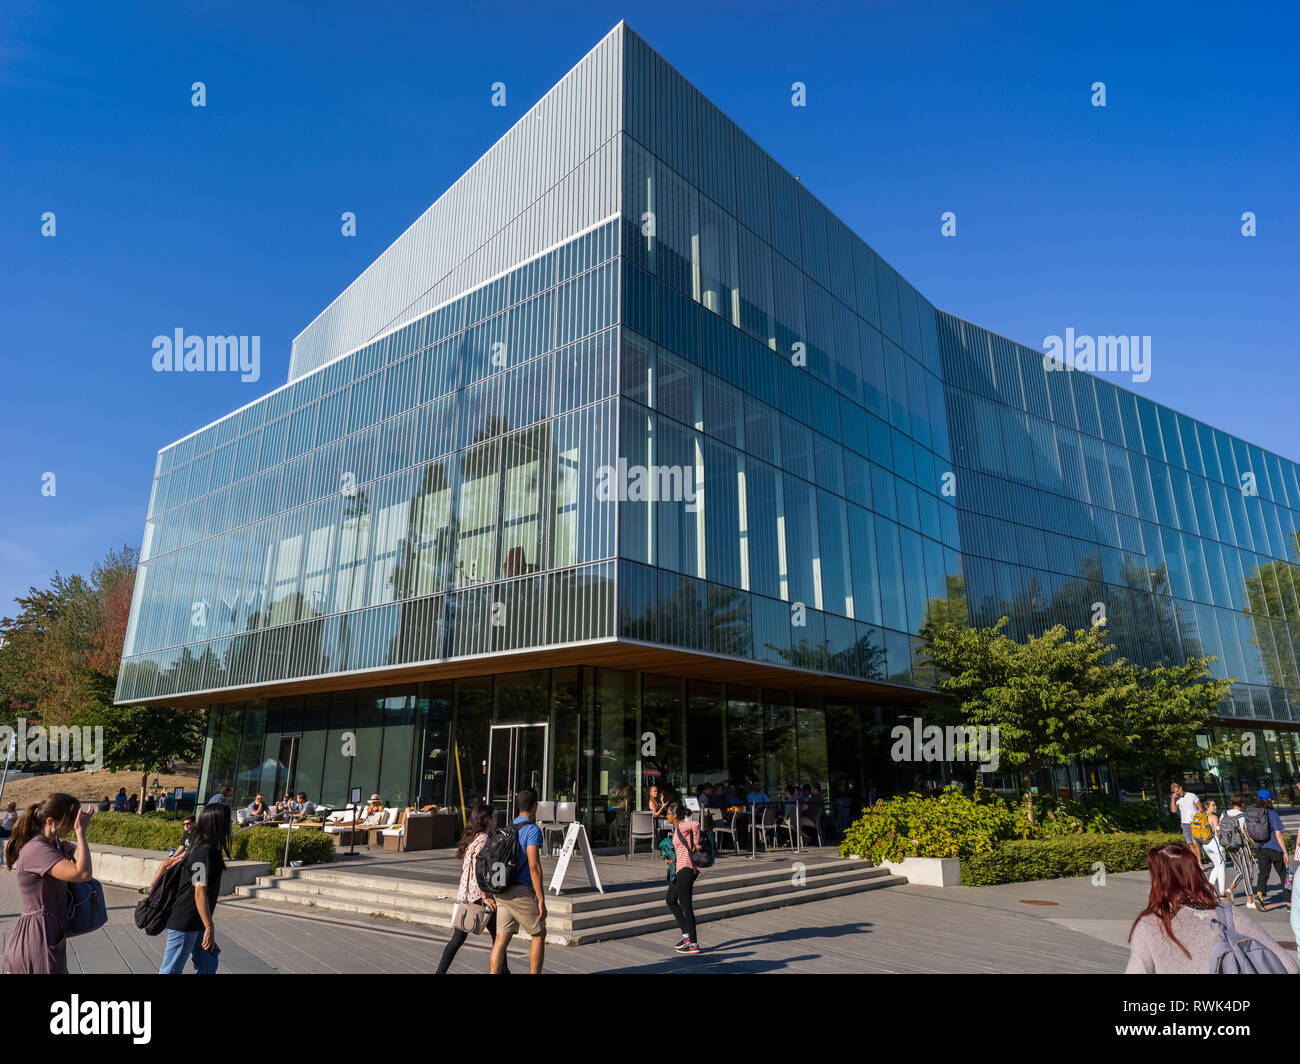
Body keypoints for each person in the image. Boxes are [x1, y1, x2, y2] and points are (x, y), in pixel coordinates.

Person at [1126, 842, 1296, 973]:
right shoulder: (1228, 914)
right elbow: (1289, 966)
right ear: (1195, 873)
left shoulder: (1150, 924)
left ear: (1157, 879)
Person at [2, 793, 95, 974]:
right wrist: (81, 833)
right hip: (37, 938)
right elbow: (82, 873)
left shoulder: (53, 845)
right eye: (70, 821)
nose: (73, 825)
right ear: (51, 821)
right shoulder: (37, 849)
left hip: (48, 933)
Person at [159, 801, 231, 974]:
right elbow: (199, 892)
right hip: (186, 921)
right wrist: (209, 927)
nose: (230, 825)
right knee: (171, 970)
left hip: (198, 920)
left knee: (208, 964)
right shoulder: (202, 852)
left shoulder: (208, 849)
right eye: (227, 821)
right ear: (218, 823)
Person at [436, 804, 508, 974]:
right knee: (498, 936)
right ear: (487, 819)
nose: (496, 820)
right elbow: (479, 869)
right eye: (495, 816)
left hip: (467, 894)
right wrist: (485, 895)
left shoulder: (474, 837)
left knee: (465, 938)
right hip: (478, 896)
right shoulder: (484, 839)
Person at [489, 788, 545, 974]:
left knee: (501, 940)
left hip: (502, 889)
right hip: (520, 891)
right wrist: (540, 898)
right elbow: (534, 866)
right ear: (534, 806)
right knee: (538, 934)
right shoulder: (532, 829)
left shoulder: (508, 827)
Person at [662, 802, 704, 954]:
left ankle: (693, 943)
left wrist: (697, 843)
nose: (666, 816)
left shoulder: (681, 826)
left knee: (686, 906)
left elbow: (696, 824)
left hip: (686, 870)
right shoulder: (677, 829)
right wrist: (671, 860)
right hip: (679, 869)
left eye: (668, 813)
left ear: (674, 815)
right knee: (670, 900)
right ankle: (686, 935)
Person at [1218, 793, 1264, 910]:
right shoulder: (1243, 815)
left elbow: (1219, 829)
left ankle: (1229, 890)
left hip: (1229, 846)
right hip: (1242, 846)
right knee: (1248, 871)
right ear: (1242, 804)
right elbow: (1247, 832)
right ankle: (1249, 900)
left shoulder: (1224, 814)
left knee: (1240, 870)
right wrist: (1256, 843)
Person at [1251, 791, 1288, 907]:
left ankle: (1259, 897)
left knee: (1263, 874)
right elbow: (1278, 835)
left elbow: (1249, 833)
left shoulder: (1253, 814)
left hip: (1260, 848)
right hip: (1274, 847)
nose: (1272, 800)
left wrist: (1256, 843)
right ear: (1268, 800)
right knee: (1284, 874)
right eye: (1270, 799)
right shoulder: (1272, 813)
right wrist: (1285, 851)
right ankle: (1289, 902)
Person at [1201, 799, 1228, 899]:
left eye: (1215, 804)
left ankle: (1209, 888)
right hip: (1215, 844)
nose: (1215, 807)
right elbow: (1217, 833)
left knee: (1217, 865)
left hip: (1205, 845)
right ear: (1207, 807)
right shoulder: (1214, 817)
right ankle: (1222, 893)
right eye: (1213, 805)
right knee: (1221, 867)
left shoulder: (1201, 817)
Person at [1170, 784, 1202, 860]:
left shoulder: (1192, 795)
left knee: (1195, 843)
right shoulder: (1177, 799)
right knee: (1190, 844)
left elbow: (1200, 809)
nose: (1178, 793)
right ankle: (1195, 862)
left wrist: (1199, 820)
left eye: (1178, 790)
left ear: (1181, 787)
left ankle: (1199, 862)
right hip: (1185, 824)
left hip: (1194, 823)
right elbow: (1174, 810)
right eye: (1175, 792)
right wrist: (1172, 798)